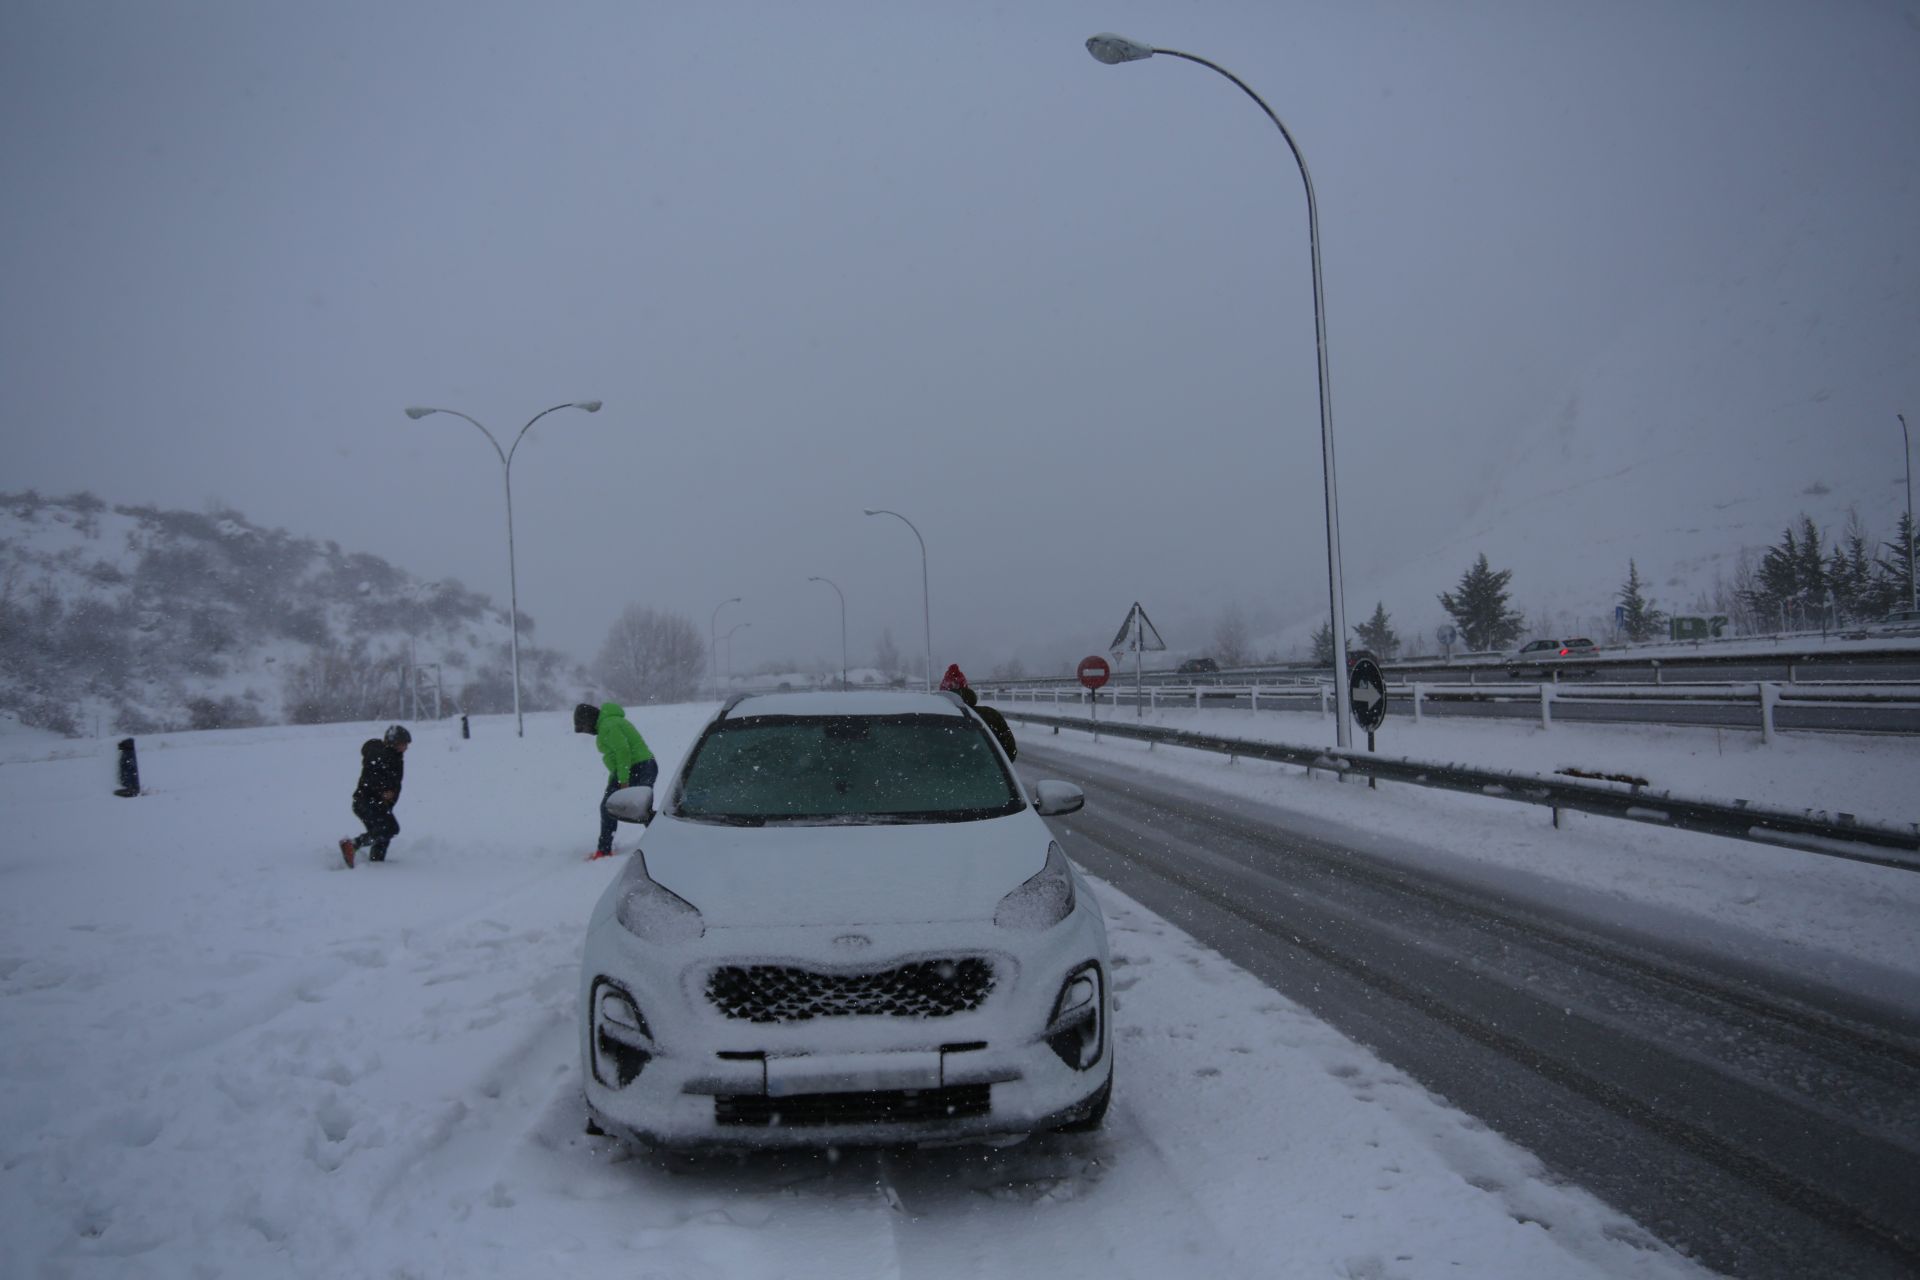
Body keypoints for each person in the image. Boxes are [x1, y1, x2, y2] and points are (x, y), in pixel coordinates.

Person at [575, 701, 657, 860]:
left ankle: (605, 850)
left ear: (590, 720)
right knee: (640, 809)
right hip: (642, 766)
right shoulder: (608, 723)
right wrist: (616, 779)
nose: (586, 732)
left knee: (614, 807)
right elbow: (618, 757)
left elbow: (623, 751)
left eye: (584, 727)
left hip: (638, 768)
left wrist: (623, 780)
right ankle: (660, 837)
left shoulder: (608, 725)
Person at [339, 724, 409, 868]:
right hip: (366, 803)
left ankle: (376, 864)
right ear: (393, 743)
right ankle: (352, 845)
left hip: (374, 803)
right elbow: (371, 778)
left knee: (386, 831)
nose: (406, 747)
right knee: (387, 829)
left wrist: (389, 797)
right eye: (403, 744)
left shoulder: (394, 757)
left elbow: (392, 783)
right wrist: (384, 790)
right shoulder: (382, 756)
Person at [939, 664, 1017, 761]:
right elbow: (1009, 754)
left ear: (943, 692)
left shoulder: (932, 717)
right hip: (986, 775)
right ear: (966, 688)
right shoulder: (991, 716)